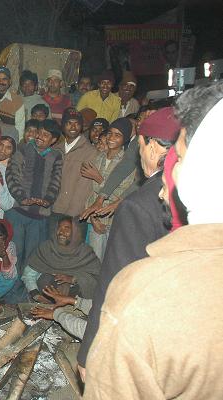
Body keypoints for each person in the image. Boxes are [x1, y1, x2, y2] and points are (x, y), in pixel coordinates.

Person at [82, 83, 223, 400]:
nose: (167, 173)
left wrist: (89, 353)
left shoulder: (146, 291)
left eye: (179, 157)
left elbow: (112, 283)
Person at [77, 106, 180, 374]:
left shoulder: (139, 206)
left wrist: (89, 351)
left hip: (142, 327)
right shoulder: (194, 193)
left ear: (154, 146)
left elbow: (114, 285)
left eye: (141, 144)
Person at [5, 119, 63, 274]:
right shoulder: (22, 149)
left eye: (45, 135)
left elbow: (56, 182)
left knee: (33, 257)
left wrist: (47, 201)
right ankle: (11, 293)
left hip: (40, 216)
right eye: (39, 132)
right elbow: (11, 174)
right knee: (13, 254)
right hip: (18, 211)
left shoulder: (56, 156)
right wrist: (22, 197)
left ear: (54, 140)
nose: (39, 136)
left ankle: (28, 292)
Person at [83, 118, 136, 260]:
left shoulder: (128, 162)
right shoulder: (99, 157)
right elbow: (90, 192)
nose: (111, 138)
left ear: (125, 138)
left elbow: (121, 194)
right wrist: (93, 217)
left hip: (115, 221)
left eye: (117, 135)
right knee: (94, 261)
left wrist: (99, 178)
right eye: (110, 133)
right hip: (96, 220)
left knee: (111, 261)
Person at [23, 216, 101, 301]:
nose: (61, 232)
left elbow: (96, 278)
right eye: (59, 228)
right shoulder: (46, 248)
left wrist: (73, 279)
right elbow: (28, 275)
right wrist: (36, 295)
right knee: (46, 279)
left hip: (76, 302)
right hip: (47, 299)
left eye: (67, 228)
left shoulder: (85, 252)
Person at [50, 109, 98, 238]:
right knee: (52, 251)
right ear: (63, 126)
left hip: (74, 215)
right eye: (69, 123)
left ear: (81, 126)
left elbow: (84, 187)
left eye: (76, 123)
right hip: (53, 210)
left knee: (72, 253)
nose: (72, 126)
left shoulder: (90, 151)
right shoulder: (55, 149)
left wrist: (71, 217)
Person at [0, 66, 25, 139]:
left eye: (4, 79)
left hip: (6, 145)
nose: (1, 82)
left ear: (10, 81)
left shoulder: (17, 101)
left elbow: (19, 129)